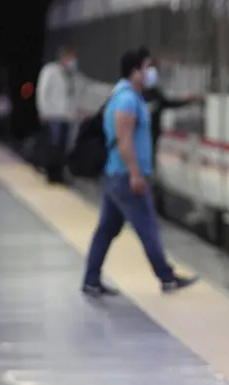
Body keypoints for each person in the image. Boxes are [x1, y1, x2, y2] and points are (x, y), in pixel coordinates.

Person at [81, 51, 198, 297]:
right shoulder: (126, 100)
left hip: (117, 175)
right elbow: (124, 140)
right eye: (147, 67)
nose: (150, 73)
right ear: (135, 72)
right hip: (125, 176)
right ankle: (167, 277)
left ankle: (91, 280)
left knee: (106, 229)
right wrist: (135, 173)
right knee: (147, 227)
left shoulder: (129, 96)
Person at [135, 46, 203, 164]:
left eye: (153, 69)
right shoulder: (133, 93)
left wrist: (189, 100)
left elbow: (170, 103)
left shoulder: (155, 94)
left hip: (152, 135)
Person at [35, 45, 80, 183]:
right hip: (53, 114)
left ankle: (59, 173)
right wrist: (42, 109)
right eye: (71, 58)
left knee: (63, 146)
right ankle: (52, 173)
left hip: (66, 115)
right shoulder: (50, 71)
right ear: (64, 57)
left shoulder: (71, 74)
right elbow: (42, 91)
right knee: (54, 144)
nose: (73, 61)